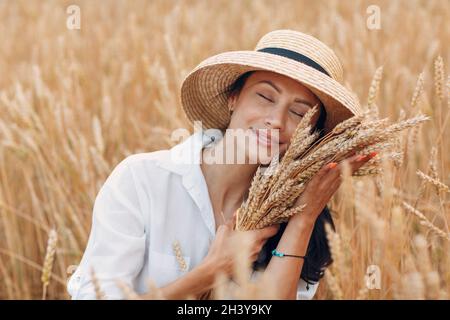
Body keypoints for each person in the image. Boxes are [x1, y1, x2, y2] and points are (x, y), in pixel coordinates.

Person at [67, 29, 375, 300]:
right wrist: (211, 271)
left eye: (299, 113)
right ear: (233, 98)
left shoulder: (298, 218)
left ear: (310, 136)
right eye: (265, 97)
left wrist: (304, 218)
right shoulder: (142, 180)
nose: (276, 120)